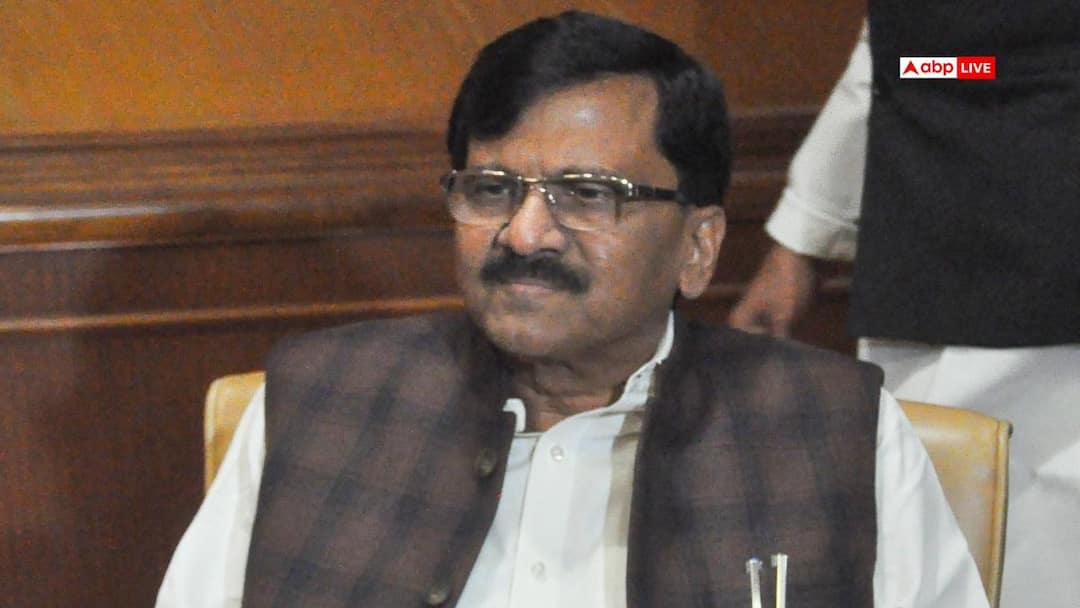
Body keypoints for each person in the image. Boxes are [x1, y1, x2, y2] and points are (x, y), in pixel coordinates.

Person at [158, 12, 990, 608]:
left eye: (588, 194)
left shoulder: (832, 430)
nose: (525, 234)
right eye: (492, 189)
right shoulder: (323, 402)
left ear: (698, 246)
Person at [729, 6, 1080, 607]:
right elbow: (902, 51)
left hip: (1059, 295)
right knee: (924, 540)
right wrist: (800, 242)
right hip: (922, 259)